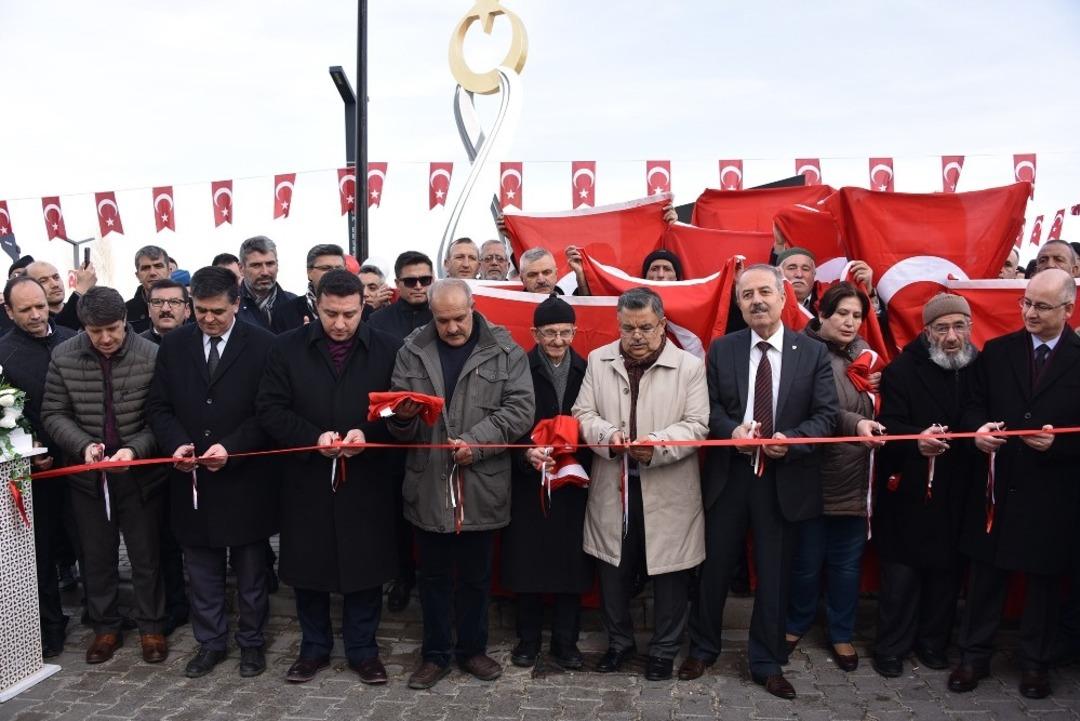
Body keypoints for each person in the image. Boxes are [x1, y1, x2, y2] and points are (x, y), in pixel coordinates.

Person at [680, 264, 838, 700]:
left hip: (783, 480)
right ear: (739, 304)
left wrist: (794, 440)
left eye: (764, 292)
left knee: (774, 574)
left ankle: (767, 662)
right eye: (747, 295)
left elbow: (825, 416)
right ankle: (703, 648)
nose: (756, 301)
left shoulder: (812, 352)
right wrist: (731, 431)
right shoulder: (722, 349)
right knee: (713, 570)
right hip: (730, 477)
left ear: (784, 297)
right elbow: (707, 409)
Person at [257, 269, 402, 685]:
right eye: (331, 313)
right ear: (315, 306)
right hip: (307, 477)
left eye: (350, 314)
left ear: (364, 308)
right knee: (309, 568)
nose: (340, 324)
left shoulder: (388, 350)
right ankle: (313, 648)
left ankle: (363, 650)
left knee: (365, 568)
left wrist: (370, 430)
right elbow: (270, 408)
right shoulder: (285, 349)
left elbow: (397, 407)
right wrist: (310, 437)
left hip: (366, 478)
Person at [388, 279, 534, 690]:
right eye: (443, 320)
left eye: (459, 318)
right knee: (431, 578)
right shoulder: (411, 350)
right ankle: (434, 656)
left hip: (480, 484)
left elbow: (521, 410)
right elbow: (398, 421)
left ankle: (472, 650)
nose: (452, 328)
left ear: (474, 307)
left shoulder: (506, 350)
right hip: (428, 484)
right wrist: (400, 418)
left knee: (475, 576)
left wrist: (478, 443)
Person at [950, 268, 1080, 700]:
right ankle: (972, 658)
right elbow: (970, 408)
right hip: (997, 487)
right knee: (985, 578)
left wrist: (1058, 446)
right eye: (1026, 302)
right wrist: (978, 432)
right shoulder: (998, 351)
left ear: (1068, 308)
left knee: (1043, 587)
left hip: (1051, 494)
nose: (1029, 312)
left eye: (1041, 306)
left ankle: (1035, 664)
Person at [147, 266, 277, 678]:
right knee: (201, 573)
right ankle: (211, 642)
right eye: (200, 310)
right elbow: (159, 407)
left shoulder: (264, 345)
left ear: (236, 304)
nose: (208, 319)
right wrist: (177, 445)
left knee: (252, 574)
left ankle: (252, 643)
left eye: (217, 311)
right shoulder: (174, 346)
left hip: (245, 482)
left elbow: (269, 411)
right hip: (192, 481)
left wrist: (233, 448)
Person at [573, 288, 709, 681]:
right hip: (613, 483)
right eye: (628, 327)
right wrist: (608, 436)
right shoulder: (599, 360)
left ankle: (664, 651)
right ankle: (619, 644)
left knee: (670, 571)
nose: (636, 336)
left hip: (668, 485)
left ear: (662, 324)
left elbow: (699, 423)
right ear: (618, 324)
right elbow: (582, 412)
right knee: (612, 569)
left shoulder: (689, 366)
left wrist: (659, 446)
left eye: (646, 327)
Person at [41, 287, 168, 665]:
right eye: (96, 332)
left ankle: (152, 627)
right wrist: (83, 446)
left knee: (146, 557)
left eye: (113, 328)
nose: (106, 338)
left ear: (126, 321)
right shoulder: (63, 355)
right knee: (96, 557)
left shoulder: (152, 355)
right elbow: (53, 413)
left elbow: (159, 415)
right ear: (83, 328)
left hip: (140, 477)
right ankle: (106, 627)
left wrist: (135, 449)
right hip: (88, 479)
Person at [872, 293, 977, 678]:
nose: (951, 337)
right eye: (942, 328)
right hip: (911, 489)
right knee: (901, 577)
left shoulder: (978, 368)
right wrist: (917, 439)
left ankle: (933, 643)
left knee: (946, 574)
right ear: (926, 331)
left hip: (958, 487)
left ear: (970, 327)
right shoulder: (902, 371)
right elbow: (889, 428)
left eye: (959, 326)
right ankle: (891, 647)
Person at [784, 283, 884, 672]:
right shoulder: (801, 353)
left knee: (847, 564)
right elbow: (820, 408)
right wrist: (858, 421)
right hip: (815, 474)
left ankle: (842, 633)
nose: (849, 322)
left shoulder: (867, 357)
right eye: (841, 313)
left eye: (857, 315)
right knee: (806, 562)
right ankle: (795, 625)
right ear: (821, 314)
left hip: (857, 476)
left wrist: (879, 391)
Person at [502, 296, 592, 671]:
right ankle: (527, 641)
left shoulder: (588, 370)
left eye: (564, 333)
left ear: (574, 332)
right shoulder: (517, 368)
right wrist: (525, 452)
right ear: (534, 333)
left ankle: (566, 642)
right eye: (550, 333)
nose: (557, 341)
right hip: (529, 481)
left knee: (571, 561)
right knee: (529, 560)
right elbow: (504, 420)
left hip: (573, 480)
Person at [0, 276, 78, 657]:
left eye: (40, 306)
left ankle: (104, 614)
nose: (35, 314)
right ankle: (50, 624)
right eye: (26, 309)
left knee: (88, 541)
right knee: (42, 550)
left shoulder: (72, 338)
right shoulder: (4, 354)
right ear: (9, 311)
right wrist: (28, 447)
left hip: (82, 461)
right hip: (37, 471)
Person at [366, 250, 436, 611]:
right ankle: (401, 576)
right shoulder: (378, 322)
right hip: (392, 430)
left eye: (426, 279)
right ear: (397, 284)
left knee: (430, 510)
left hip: (433, 433)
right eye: (411, 281)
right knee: (395, 510)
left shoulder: (443, 317)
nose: (419, 287)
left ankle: (428, 577)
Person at [138, 277, 192, 636]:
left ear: (187, 308)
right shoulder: (138, 348)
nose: (166, 309)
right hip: (155, 460)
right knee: (164, 542)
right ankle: (174, 605)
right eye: (158, 303)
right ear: (148, 308)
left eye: (174, 302)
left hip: (198, 453)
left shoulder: (195, 345)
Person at [271, 244, 345, 333]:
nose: (334, 273)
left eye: (339, 269)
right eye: (326, 268)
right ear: (309, 272)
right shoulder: (285, 313)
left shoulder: (363, 311)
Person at [237, 236, 296, 330]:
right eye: (256, 265)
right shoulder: (228, 305)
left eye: (270, 264)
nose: (265, 272)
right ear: (241, 268)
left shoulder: (296, 304)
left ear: (277, 265)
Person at [25, 259, 97, 331]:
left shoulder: (84, 310)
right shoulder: (36, 319)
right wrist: (81, 289)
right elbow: (60, 331)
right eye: (43, 281)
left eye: (56, 277)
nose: (54, 284)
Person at [127, 246, 171, 333]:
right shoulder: (125, 312)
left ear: (169, 271)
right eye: (146, 268)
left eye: (158, 266)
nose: (152, 273)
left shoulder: (191, 307)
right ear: (138, 275)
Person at [141, 279, 191, 344]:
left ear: (187, 310)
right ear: (149, 310)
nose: (165, 309)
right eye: (157, 302)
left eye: (174, 302)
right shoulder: (136, 345)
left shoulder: (201, 342)